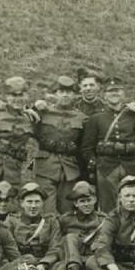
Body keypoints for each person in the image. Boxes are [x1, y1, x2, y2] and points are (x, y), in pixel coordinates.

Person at [80, 77, 135, 212]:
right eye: (110, 91)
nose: (114, 94)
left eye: (117, 90)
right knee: (108, 207)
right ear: (104, 95)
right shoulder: (96, 118)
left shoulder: (134, 116)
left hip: (132, 166)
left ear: (123, 94)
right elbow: (87, 147)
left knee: (133, 203)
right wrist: (96, 164)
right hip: (106, 167)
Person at [33, 76, 87, 214]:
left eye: (69, 92)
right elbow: (28, 123)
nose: (65, 95)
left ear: (75, 95)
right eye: (61, 92)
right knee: (47, 210)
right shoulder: (43, 113)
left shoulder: (82, 117)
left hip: (70, 169)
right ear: (55, 94)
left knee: (67, 211)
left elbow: (84, 144)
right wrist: (35, 107)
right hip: (46, 167)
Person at [5, 183, 62, 270]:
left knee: (61, 266)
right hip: (21, 263)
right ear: (22, 203)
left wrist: (44, 264)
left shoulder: (51, 222)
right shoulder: (12, 221)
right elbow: (7, 248)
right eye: (29, 202)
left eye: (37, 202)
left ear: (43, 203)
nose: (33, 206)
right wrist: (23, 264)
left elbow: (55, 247)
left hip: (44, 264)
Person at [52, 181, 106, 270]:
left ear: (95, 200)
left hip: (93, 259)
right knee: (70, 237)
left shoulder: (103, 220)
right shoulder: (65, 220)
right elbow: (57, 240)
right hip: (71, 260)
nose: (86, 204)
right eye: (82, 201)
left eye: (89, 200)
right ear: (75, 203)